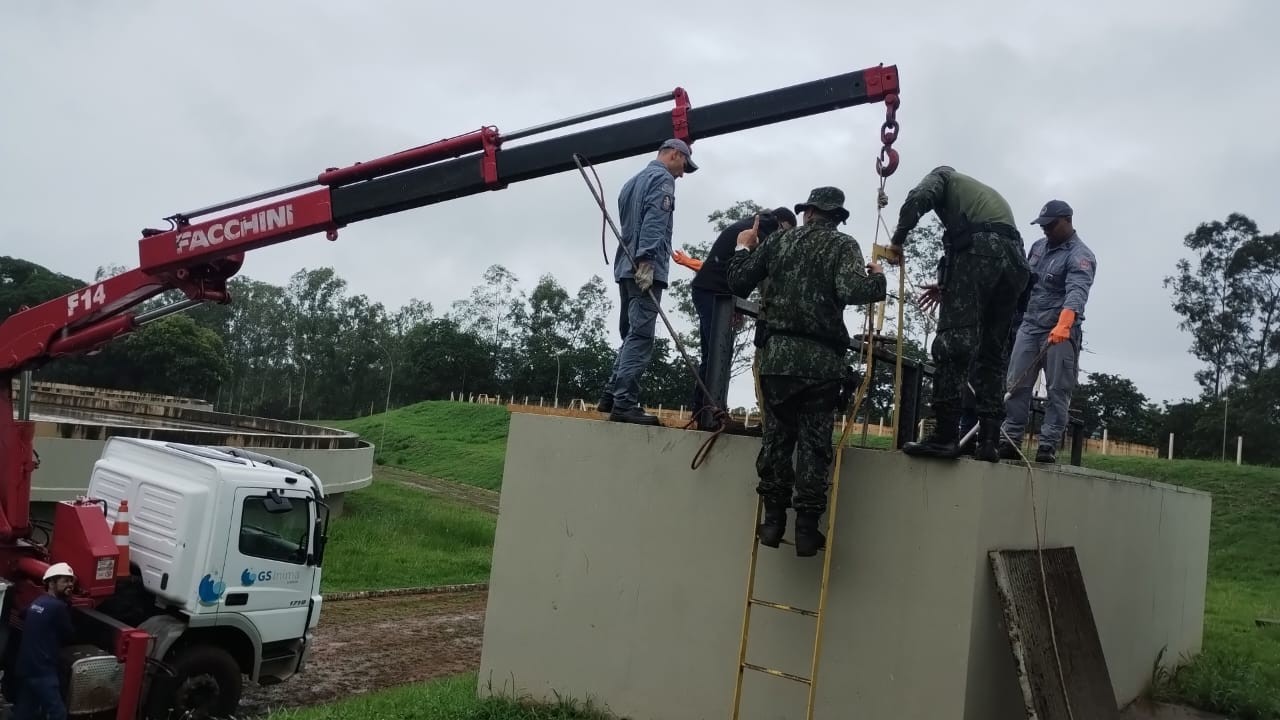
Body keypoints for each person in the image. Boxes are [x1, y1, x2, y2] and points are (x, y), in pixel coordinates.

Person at [727, 187, 887, 557]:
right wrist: (877, 278)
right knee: (815, 446)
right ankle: (806, 530)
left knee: (777, 439)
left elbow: (738, 282)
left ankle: (772, 522)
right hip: (821, 365)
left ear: (808, 212)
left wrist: (742, 245)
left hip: (777, 361)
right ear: (837, 217)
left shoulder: (779, 242)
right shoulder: (843, 245)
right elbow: (852, 289)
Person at [883, 165, 1030, 462]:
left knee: (953, 343)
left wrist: (897, 241)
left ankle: (945, 436)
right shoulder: (980, 196)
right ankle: (988, 441)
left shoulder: (942, 177)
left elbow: (916, 199)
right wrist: (948, 282)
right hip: (1015, 263)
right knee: (993, 351)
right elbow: (989, 251)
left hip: (980, 252)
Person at [596, 138, 698, 425]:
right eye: (683, 166)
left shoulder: (631, 182)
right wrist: (647, 260)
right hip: (644, 268)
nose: (682, 173)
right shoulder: (663, 180)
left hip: (624, 267)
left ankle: (610, 395)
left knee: (630, 334)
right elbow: (655, 219)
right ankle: (625, 404)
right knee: (640, 336)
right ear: (675, 155)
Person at [681, 207, 797, 429]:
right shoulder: (759, 233)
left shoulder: (754, 227)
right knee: (718, 353)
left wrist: (735, 305)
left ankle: (706, 410)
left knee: (715, 353)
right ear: (781, 224)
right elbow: (757, 271)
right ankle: (709, 413)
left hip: (715, 292)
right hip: (712, 293)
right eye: (788, 232)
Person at [998, 200, 1096, 463]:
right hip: (1030, 326)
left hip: (1060, 332)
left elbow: (1077, 292)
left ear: (1067, 220)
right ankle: (1009, 440)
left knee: (1057, 390)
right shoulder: (1038, 247)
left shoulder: (1080, 255)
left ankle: (1047, 445)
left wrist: (1064, 324)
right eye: (1043, 226)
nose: (1046, 230)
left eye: (1051, 225)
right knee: (1016, 383)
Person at [13, 562, 75, 720]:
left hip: (27, 668)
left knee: (25, 712)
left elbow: (22, 614)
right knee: (58, 714)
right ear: (51, 583)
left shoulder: (38, 602)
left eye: (71, 580)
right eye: (65, 581)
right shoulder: (58, 607)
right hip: (43, 672)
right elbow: (69, 634)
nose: (70, 585)